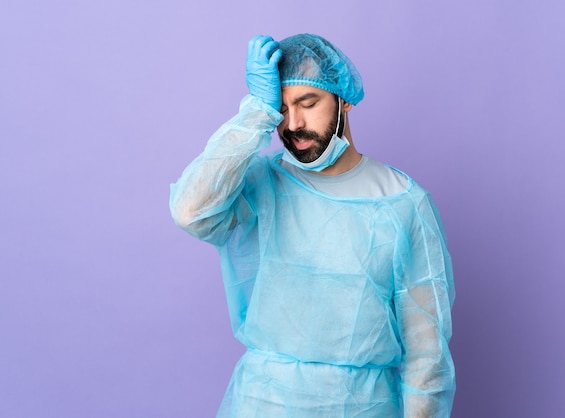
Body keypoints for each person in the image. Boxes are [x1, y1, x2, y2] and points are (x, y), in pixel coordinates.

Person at [170, 33, 455, 417]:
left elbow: (427, 354)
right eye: (282, 108)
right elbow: (191, 211)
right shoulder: (261, 184)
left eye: (308, 103)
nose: (293, 123)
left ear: (345, 99)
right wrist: (256, 112)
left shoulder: (403, 202)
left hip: (363, 406)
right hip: (262, 404)